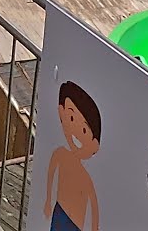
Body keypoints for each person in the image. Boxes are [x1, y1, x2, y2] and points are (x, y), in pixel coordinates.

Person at [43, 81, 101, 231]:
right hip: (60, 210)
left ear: (94, 145)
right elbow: (50, 173)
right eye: (71, 118)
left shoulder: (85, 176)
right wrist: (48, 200)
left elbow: (93, 202)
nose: (75, 132)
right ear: (61, 112)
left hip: (76, 223)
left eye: (83, 130)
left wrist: (94, 227)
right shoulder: (61, 154)